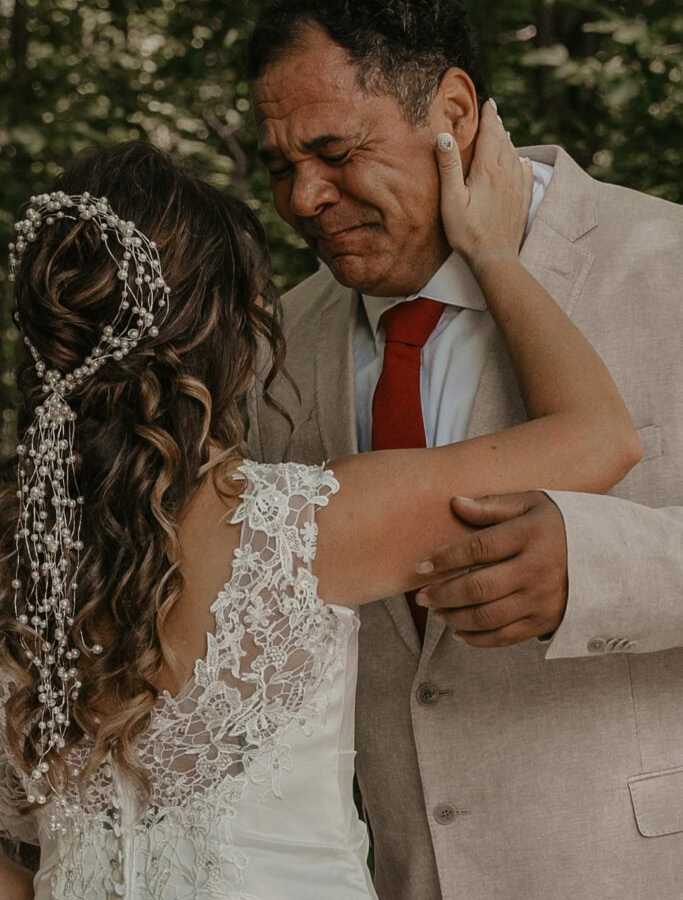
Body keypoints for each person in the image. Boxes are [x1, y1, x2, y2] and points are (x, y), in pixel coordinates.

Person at [0, 120, 638, 899]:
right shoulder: (299, 530)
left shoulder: (13, 559)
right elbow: (599, 438)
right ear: (226, 329)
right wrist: (495, 255)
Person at [245, 0, 683, 900]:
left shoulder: (667, 264)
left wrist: (599, 567)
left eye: (335, 153)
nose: (302, 200)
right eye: (280, 166)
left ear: (449, 112)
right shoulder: (275, 342)